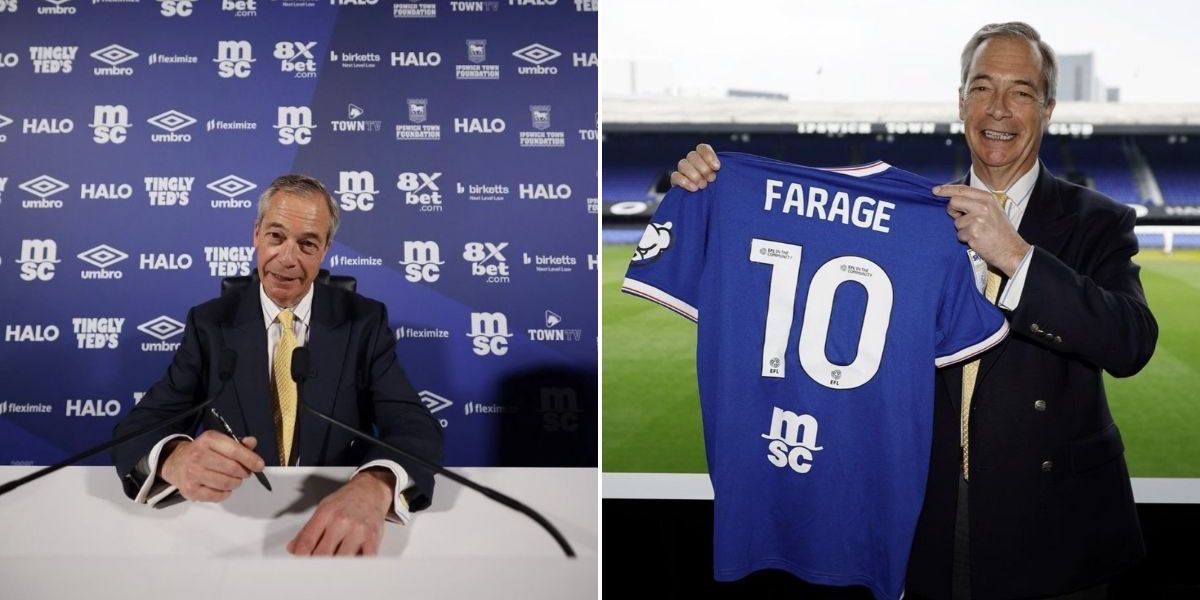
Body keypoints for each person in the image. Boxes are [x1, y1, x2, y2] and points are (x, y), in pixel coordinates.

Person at [668, 22, 1157, 600]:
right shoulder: (908, 218)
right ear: (960, 101)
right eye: (981, 87)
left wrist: (1017, 257)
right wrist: (712, 194)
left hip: (1055, 527)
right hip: (927, 517)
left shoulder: (1098, 219)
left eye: (1020, 91)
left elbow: (1131, 343)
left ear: (1047, 108)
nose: (998, 108)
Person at [110, 174, 444, 557]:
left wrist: (375, 485)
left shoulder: (363, 322)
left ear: (325, 250)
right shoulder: (210, 323)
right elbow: (139, 427)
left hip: (333, 519)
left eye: (306, 244)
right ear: (256, 234)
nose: (287, 258)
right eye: (275, 236)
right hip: (225, 527)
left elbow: (414, 425)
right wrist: (174, 458)